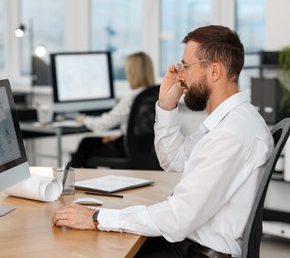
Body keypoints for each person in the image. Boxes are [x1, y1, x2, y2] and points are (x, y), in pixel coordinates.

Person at [52, 25, 274, 257]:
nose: (180, 75)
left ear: (214, 71)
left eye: (186, 67)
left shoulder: (230, 134)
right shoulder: (227, 123)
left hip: (196, 252)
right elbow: (175, 162)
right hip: (190, 243)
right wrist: (167, 106)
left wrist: (97, 218)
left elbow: (178, 218)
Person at [69, 51, 155, 168]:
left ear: (133, 72)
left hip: (127, 150)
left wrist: (84, 119)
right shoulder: (154, 94)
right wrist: (121, 134)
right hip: (144, 148)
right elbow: (143, 127)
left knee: (86, 144)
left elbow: (103, 124)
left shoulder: (132, 98)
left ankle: (68, 179)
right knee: (90, 144)